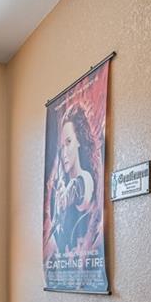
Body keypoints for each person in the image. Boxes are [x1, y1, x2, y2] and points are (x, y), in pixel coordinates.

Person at [49, 105, 97, 255]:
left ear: (79, 141)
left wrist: (64, 197)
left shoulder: (84, 179)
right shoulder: (60, 186)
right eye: (61, 146)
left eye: (68, 142)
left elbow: (79, 188)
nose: (64, 152)